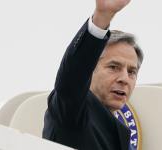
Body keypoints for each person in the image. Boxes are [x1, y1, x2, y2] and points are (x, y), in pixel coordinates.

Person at [42, 0, 143, 149]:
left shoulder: (120, 134)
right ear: (90, 69)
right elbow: (73, 76)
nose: (124, 79)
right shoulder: (72, 110)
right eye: (113, 67)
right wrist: (102, 17)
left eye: (131, 72)